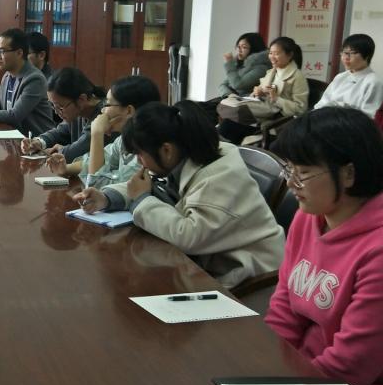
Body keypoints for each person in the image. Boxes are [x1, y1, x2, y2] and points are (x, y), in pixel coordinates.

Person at [73, 101, 284, 288]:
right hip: (208, 262)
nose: (138, 161)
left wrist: (141, 201)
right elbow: (149, 186)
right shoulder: (187, 154)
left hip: (249, 280)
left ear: (166, 150)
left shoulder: (220, 177)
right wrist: (106, 198)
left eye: (140, 154)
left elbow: (190, 236)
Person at [264, 108, 383, 385]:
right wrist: (265, 364)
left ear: (349, 173)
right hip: (304, 371)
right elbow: (285, 304)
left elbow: (353, 365)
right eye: (289, 170)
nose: (291, 183)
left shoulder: (377, 250)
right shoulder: (309, 216)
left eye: (303, 173)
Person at [47, 75, 161, 189]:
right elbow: (95, 160)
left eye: (107, 104)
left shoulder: (146, 153)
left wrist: (97, 133)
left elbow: (95, 185)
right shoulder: (123, 140)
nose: (102, 110)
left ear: (129, 111)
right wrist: (66, 169)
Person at [218, 36, 309, 144]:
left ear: (289, 55)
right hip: (261, 118)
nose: (272, 57)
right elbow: (257, 95)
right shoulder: (272, 72)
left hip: (276, 125)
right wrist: (257, 92)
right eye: (270, 53)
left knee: (226, 129)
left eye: (276, 53)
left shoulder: (297, 77)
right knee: (226, 126)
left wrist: (276, 98)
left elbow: (301, 110)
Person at [21, 67, 107, 162]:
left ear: (81, 99)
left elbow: (77, 152)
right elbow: (61, 131)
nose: (56, 112)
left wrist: (61, 151)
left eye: (60, 107)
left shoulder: (104, 114)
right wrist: (39, 142)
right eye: (53, 106)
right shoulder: (77, 110)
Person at [315, 34, 383, 117]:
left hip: (350, 124)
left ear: (367, 56)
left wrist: (340, 107)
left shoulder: (373, 82)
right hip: (327, 120)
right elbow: (322, 103)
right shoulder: (340, 77)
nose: (346, 58)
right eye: (344, 52)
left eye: (352, 53)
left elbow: (370, 116)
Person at [219, 32, 271, 96]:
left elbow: (237, 85)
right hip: (233, 100)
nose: (239, 50)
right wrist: (230, 95)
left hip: (246, 101)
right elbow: (223, 85)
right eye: (238, 46)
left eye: (244, 47)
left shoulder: (261, 68)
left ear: (254, 49)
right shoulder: (241, 64)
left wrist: (229, 64)